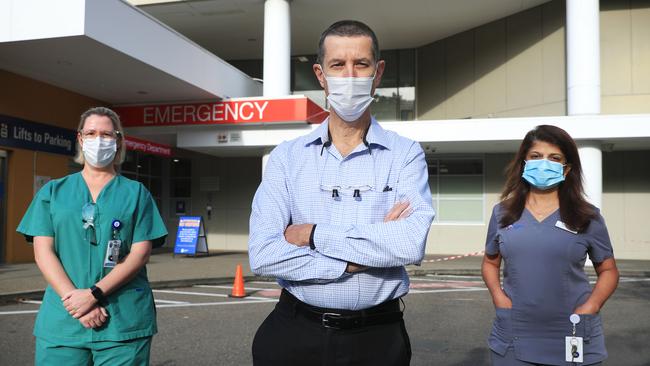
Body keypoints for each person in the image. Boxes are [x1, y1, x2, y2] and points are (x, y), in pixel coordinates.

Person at [248, 20, 435, 366]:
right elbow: (264, 253)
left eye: (361, 64)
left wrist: (313, 234)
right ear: (320, 74)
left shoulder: (406, 154)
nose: (349, 76)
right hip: (294, 333)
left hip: (377, 338)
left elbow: (409, 243)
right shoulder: (287, 157)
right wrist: (355, 260)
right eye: (338, 65)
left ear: (378, 73)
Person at [17, 107, 167, 365]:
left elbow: (140, 253)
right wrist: (77, 303)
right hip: (64, 320)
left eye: (107, 134)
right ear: (80, 138)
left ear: (118, 141)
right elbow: (43, 252)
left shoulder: (137, 193)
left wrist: (93, 295)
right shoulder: (53, 191)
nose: (99, 140)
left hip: (122, 321)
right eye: (91, 133)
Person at [482, 125, 619, 366]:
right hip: (515, 332)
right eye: (536, 156)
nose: (544, 163)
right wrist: (498, 298)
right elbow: (490, 263)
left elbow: (608, 271)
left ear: (566, 169)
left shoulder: (588, 217)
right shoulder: (502, 213)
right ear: (524, 162)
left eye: (554, 158)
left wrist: (592, 306)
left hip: (573, 329)